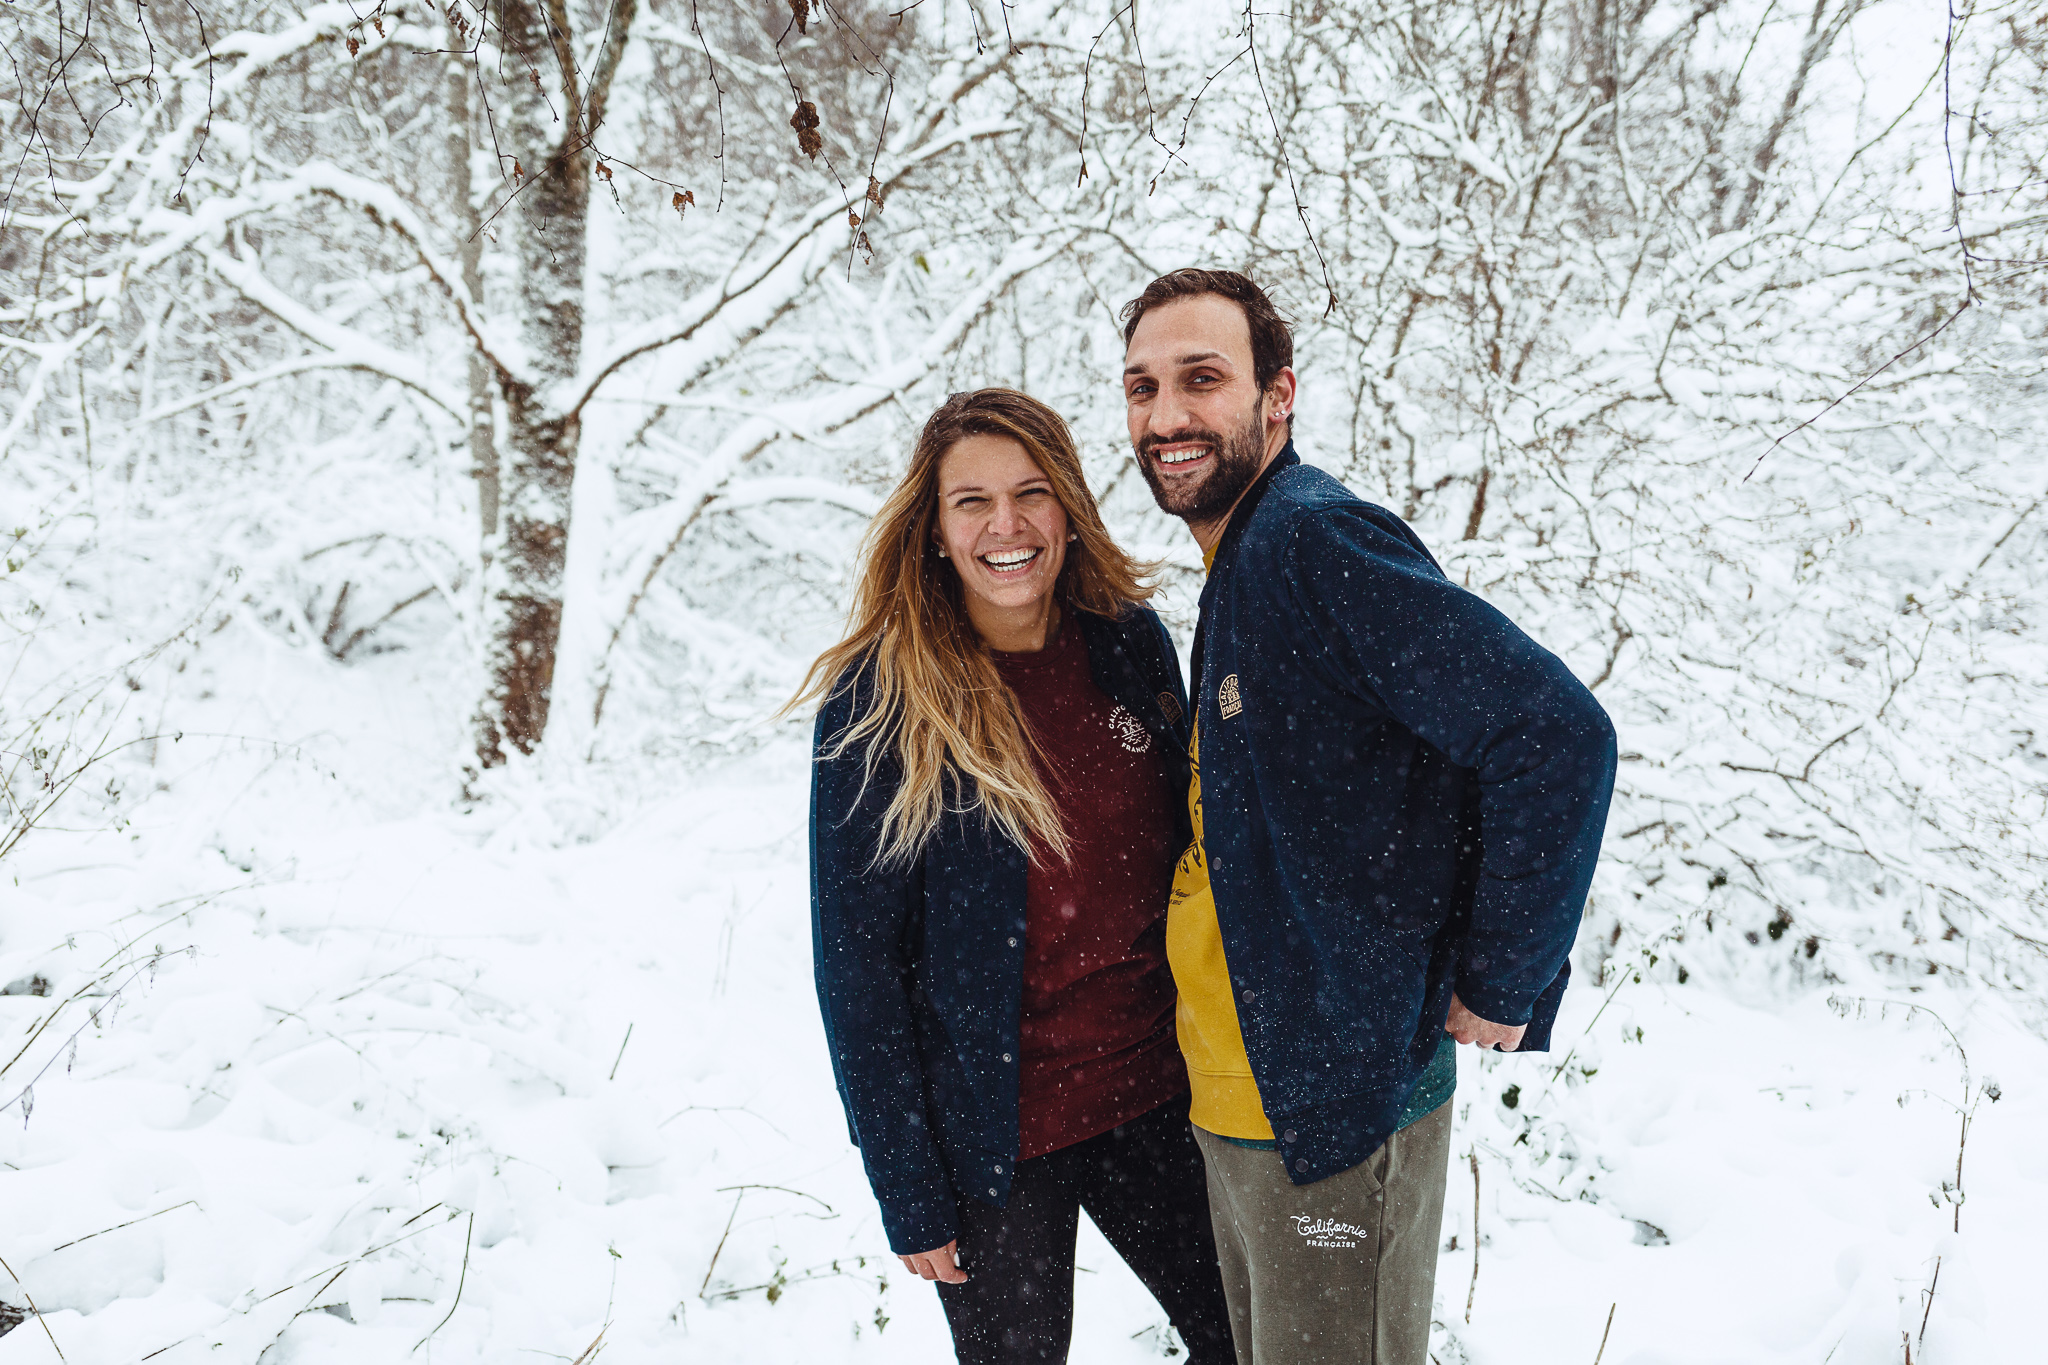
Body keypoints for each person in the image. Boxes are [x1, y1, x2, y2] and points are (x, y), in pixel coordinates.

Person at [1117, 270, 1618, 1365]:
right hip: (1245, 1096)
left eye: (1201, 379)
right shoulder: (1240, 561)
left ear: (1277, 395)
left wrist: (1503, 974)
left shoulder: (1312, 542)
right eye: (1142, 388)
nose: (1165, 416)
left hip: (1332, 1108)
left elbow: (1554, 733)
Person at [797, 389, 1236, 1364]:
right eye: (972, 502)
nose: (1007, 525)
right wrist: (906, 1187)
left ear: (1068, 507)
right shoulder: (877, 707)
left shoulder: (1126, 643)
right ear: (933, 528)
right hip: (995, 1139)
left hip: (1159, 1095)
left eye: (1031, 492)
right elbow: (858, 973)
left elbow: (1198, 852)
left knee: (1249, 1341)